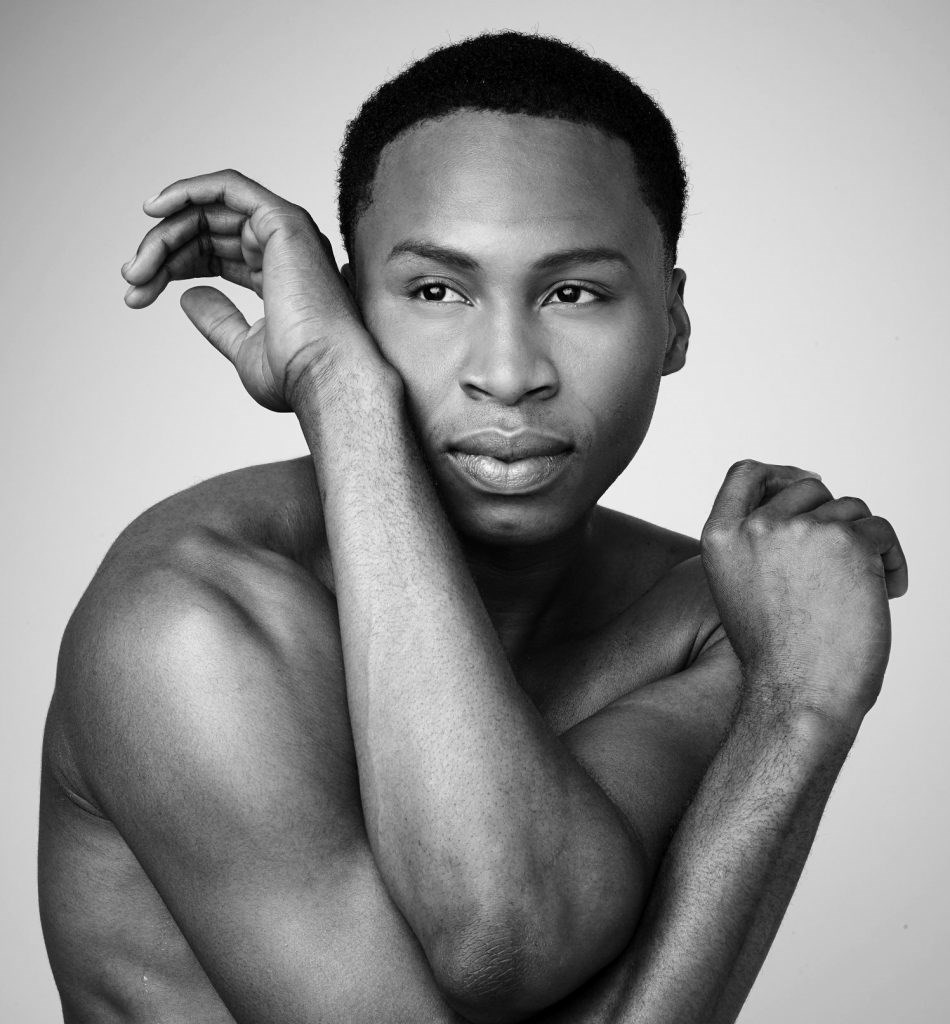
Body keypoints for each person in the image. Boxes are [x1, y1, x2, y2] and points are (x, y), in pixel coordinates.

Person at [38, 30, 907, 1024]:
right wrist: (794, 713)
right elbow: (509, 941)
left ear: (670, 322)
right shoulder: (191, 626)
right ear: (343, 309)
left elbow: (522, 948)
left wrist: (783, 688)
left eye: (572, 292)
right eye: (433, 291)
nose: (507, 370)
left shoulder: (717, 616)